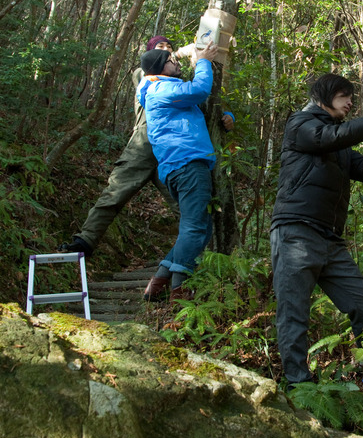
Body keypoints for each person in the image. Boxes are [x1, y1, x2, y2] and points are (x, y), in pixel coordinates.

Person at [270, 73, 363, 387]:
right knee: (294, 312)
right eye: (344, 95)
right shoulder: (300, 125)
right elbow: (323, 139)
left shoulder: (339, 139)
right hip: (296, 232)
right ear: (325, 95)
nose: (350, 102)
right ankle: (298, 385)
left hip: (330, 240)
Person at [60, 35, 234, 258]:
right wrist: (180, 54)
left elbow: (198, 105)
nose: (168, 52)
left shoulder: (176, 82)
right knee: (115, 193)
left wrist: (228, 117)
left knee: (187, 207)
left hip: (173, 154)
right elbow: (152, 74)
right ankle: (85, 240)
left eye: (169, 48)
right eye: (161, 49)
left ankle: (198, 260)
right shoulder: (145, 77)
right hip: (142, 148)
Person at [137, 40, 221, 302]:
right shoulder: (160, 88)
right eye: (172, 60)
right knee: (195, 228)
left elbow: (197, 110)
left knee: (201, 229)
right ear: (161, 67)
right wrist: (204, 60)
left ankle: (160, 280)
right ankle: (180, 292)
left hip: (183, 164)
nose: (177, 63)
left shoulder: (164, 89)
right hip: (186, 163)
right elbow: (198, 91)